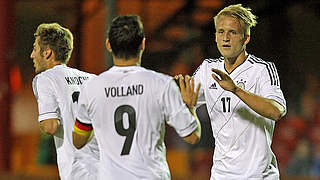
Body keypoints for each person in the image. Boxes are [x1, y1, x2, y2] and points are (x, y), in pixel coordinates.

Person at [72, 15, 201, 180]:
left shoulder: (91, 88)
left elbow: (78, 141)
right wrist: (191, 107)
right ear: (143, 44)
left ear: (108, 45)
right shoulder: (162, 84)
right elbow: (192, 136)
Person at [189, 4, 287, 180]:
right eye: (221, 32)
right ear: (215, 36)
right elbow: (183, 100)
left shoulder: (262, 69)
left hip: (258, 175)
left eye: (232, 32)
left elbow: (277, 111)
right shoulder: (207, 69)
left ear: (246, 38)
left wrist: (235, 90)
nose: (225, 38)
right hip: (221, 175)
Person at [31, 23, 99, 180]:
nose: (32, 55)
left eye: (35, 49)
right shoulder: (93, 79)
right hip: (106, 168)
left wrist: (43, 121)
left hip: (78, 171)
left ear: (47, 52)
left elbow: (50, 126)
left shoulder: (45, 79)